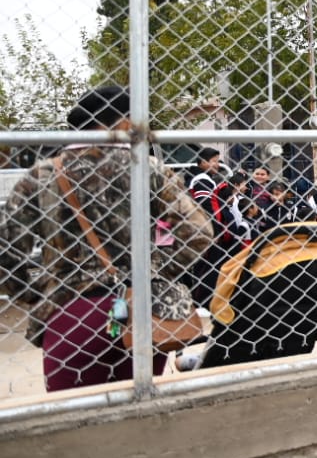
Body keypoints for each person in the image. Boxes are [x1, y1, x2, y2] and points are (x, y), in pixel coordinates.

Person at [0, 84, 213, 391]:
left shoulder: (41, 175)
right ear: (124, 121)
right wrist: (154, 272)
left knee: (71, 417)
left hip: (70, 310)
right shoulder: (149, 169)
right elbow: (197, 232)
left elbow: (7, 250)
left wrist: (32, 293)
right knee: (140, 409)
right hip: (142, 312)